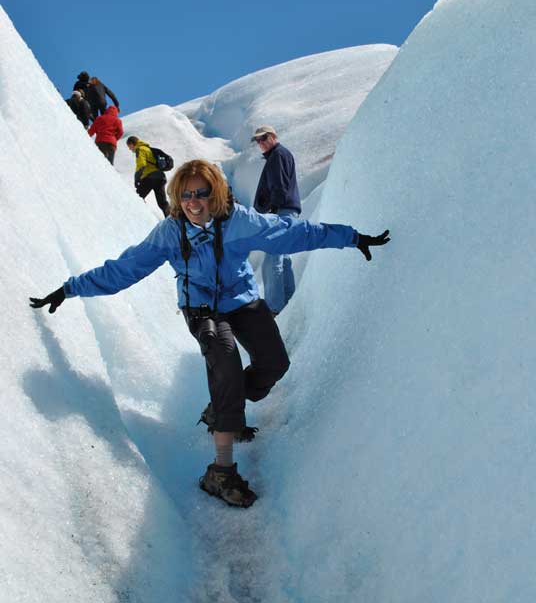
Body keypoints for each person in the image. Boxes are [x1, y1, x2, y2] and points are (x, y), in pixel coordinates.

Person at [29, 159, 390, 508]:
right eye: (185, 195)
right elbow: (124, 269)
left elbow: (292, 234)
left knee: (275, 364)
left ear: (215, 193)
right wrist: (69, 288)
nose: (193, 203)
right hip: (201, 308)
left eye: (201, 193)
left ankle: (223, 409)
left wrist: (352, 237)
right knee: (225, 359)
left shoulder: (239, 221)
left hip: (242, 299)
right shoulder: (170, 233)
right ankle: (220, 471)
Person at [252, 125, 302, 316]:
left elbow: (279, 186)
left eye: (263, 138)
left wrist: (272, 210)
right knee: (283, 258)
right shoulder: (280, 155)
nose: (261, 143)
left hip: (280, 212)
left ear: (273, 136)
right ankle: (289, 302)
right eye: (257, 140)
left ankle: (274, 308)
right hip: (287, 211)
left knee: (273, 259)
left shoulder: (278, 156)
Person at [126, 135, 170, 217]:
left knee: (137, 197)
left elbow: (141, 164)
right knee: (163, 203)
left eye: (129, 146)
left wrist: (137, 178)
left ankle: (135, 217)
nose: (130, 149)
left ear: (132, 144)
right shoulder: (148, 149)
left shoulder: (140, 149)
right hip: (160, 177)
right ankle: (173, 221)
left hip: (150, 178)